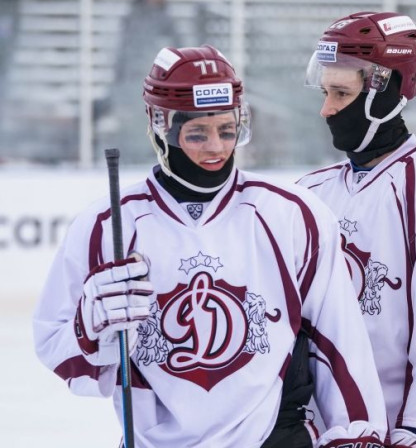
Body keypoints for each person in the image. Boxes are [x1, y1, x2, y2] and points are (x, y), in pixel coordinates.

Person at [33, 44, 388, 448]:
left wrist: (357, 436)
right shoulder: (108, 225)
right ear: (161, 127)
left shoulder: (292, 215)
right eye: (198, 134)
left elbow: (339, 340)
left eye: (227, 129)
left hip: (274, 438)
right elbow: (66, 360)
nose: (217, 148)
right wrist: (89, 329)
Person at [298, 12, 416, 448]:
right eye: (326, 91)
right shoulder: (309, 192)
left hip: (397, 435)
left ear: (385, 92)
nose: (326, 108)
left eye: (342, 93)